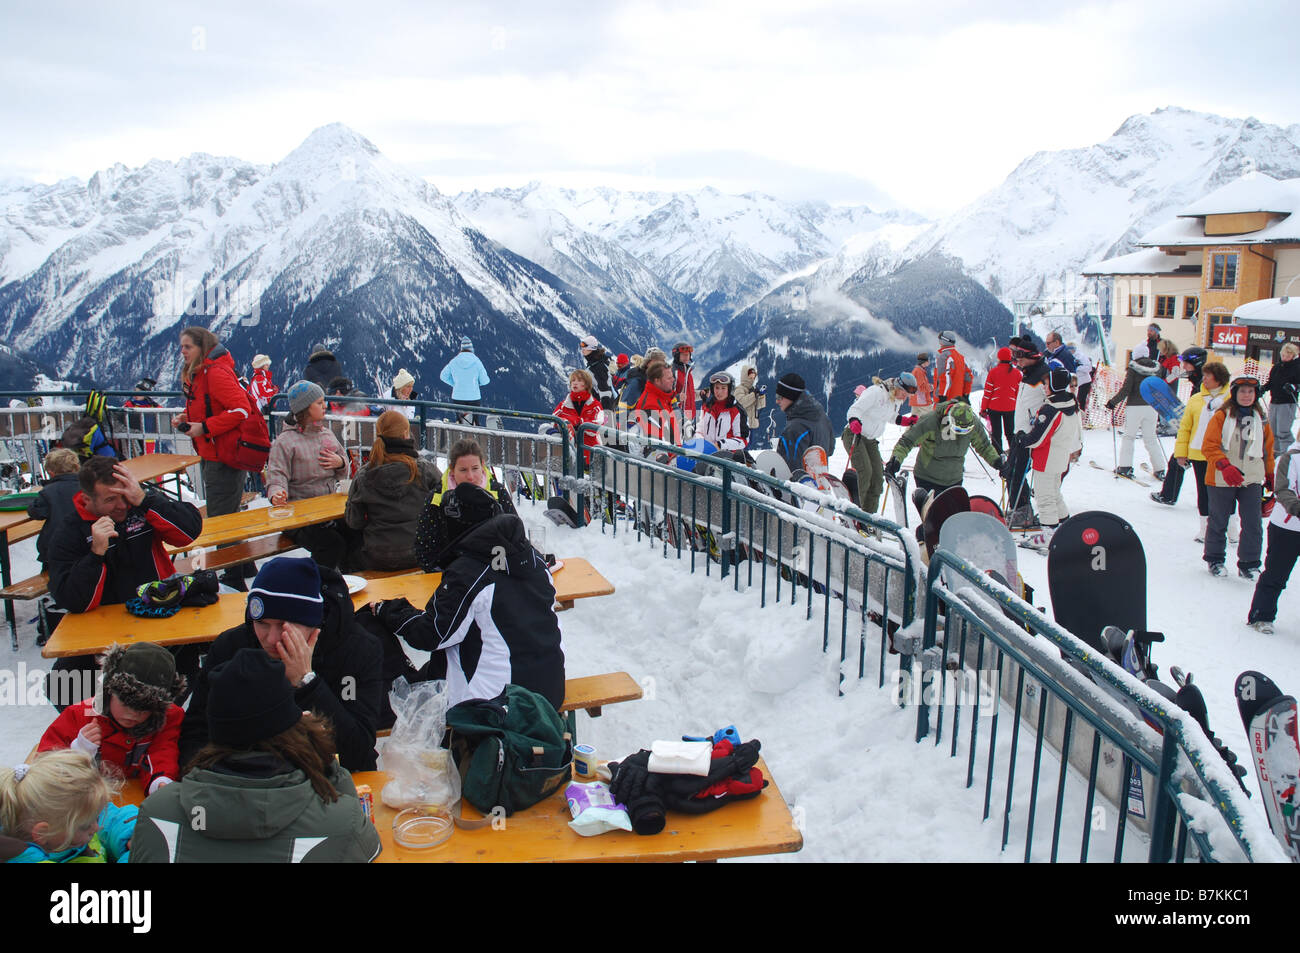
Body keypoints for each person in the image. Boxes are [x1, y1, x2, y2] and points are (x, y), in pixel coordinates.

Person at [134, 648, 381, 863]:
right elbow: (365, 842)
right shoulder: (339, 824)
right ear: (294, 729)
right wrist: (323, 758)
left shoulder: (156, 813)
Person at [368, 482, 565, 711]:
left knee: (399, 681)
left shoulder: (469, 571)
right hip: (549, 691)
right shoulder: (534, 559)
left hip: (496, 705)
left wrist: (390, 611)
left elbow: (432, 634)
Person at [179, 557, 383, 772]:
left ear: (313, 621)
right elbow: (197, 731)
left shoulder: (357, 649)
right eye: (262, 623)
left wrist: (307, 682)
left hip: (328, 780)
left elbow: (358, 750)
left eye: (284, 625)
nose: (271, 638)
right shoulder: (231, 647)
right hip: (246, 778)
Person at [46, 456, 202, 614]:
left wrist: (144, 499)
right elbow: (73, 601)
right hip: (107, 622)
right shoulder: (69, 530)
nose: (121, 505)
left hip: (160, 606)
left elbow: (189, 533)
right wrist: (95, 554)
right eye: (110, 499)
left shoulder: (139, 504)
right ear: (87, 499)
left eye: (124, 494)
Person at [38, 643, 186, 796]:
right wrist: (78, 752)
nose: (133, 714)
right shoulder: (80, 715)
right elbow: (44, 766)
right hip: (84, 801)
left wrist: (160, 780)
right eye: (125, 702)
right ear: (109, 690)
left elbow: (164, 752)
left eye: (144, 708)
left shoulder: (167, 718)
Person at [173, 327, 257, 581]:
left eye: (188, 347)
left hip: (223, 456)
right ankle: (243, 567)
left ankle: (233, 576)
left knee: (221, 519)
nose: (183, 352)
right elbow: (214, 408)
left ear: (202, 347)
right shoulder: (203, 374)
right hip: (214, 452)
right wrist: (189, 419)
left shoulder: (215, 374)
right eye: (182, 347)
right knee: (228, 513)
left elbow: (241, 410)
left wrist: (204, 427)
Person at [266, 381, 354, 571]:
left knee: (355, 532)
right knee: (331, 544)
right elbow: (277, 474)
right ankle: (319, 584)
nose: (325, 406)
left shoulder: (326, 434)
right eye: (319, 403)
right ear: (305, 409)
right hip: (300, 516)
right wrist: (277, 493)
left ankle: (349, 580)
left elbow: (344, 468)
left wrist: (339, 462)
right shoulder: (285, 442)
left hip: (328, 510)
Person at [344, 410, 441, 572]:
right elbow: (443, 505)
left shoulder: (364, 475)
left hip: (377, 557)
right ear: (405, 434)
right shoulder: (425, 470)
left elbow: (354, 521)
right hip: (421, 552)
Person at [0, 750, 136, 864]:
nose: (96, 827)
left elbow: (112, 819)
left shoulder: (70, 818)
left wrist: (132, 832)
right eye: (86, 825)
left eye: (96, 817)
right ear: (42, 832)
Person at [1201, 375, 1274, 579]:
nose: (1247, 395)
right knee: (1218, 520)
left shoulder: (1262, 419)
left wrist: (1270, 474)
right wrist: (1224, 465)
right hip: (1221, 477)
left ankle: (1249, 563)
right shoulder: (1222, 416)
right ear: (1234, 393)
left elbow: (1267, 448)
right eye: (1242, 391)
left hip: (1251, 477)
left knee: (1253, 522)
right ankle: (1215, 559)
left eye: (1251, 392)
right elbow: (1209, 446)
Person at [885, 397, 1003, 516]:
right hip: (928, 478)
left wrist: (997, 462)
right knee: (934, 519)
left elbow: (984, 446)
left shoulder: (972, 422)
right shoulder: (931, 421)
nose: (960, 434)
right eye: (957, 429)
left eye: (965, 431)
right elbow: (908, 441)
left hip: (954, 480)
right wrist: (896, 460)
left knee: (951, 519)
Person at [413, 438, 517, 572]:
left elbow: (515, 536)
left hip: (492, 570)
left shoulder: (498, 493)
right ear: (452, 470)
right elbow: (424, 548)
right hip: (450, 573)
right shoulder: (437, 497)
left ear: (483, 465)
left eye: (475, 468)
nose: (470, 476)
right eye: (463, 470)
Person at [1015, 369, 1083, 551]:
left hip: (1046, 458)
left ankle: (1049, 534)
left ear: (1053, 385)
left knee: (1044, 496)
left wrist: (1023, 439)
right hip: (1060, 456)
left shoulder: (1051, 409)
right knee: (1054, 493)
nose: (1044, 387)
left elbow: (1038, 437)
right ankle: (1064, 525)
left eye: (1046, 384)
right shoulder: (1071, 404)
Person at [840, 374, 914, 512]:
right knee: (865, 472)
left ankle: (869, 516)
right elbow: (855, 409)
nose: (905, 397)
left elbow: (890, 416)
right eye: (904, 393)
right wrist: (854, 420)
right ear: (897, 387)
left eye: (907, 396)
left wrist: (904, 421)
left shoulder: (895, 400)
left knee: (877, 478)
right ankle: (854, 511)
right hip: (855, 433)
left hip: (871, 438)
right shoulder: (876, 392)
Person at [1247, 441, 1300, 633]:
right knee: (1276, 574)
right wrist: (1296, 508)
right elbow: (1284, 489)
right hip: (1287, 527)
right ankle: (1261, 615)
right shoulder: (1290, 458)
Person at [1151, 347, 1209, 507]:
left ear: (1195, 363)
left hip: (1200, 434)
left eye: (1186, 363)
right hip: (1195, 432)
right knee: (1181, 463)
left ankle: (1170, 496)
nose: (1183, 367)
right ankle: (1170, 495)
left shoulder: (1204, 382)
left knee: (1183, 463)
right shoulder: (1198, 380)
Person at [1007, 339, 1050, 529]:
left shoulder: (1043, 375)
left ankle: (1023, 513)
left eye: (1019, 356)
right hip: (1021, 432)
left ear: (1030, 356)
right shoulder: (1028, 374)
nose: (1016, 361)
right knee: (1012, 472)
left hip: (1030, 436)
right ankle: (1021, 510)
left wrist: (1036, 430)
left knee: (1016, 473)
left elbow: (1051, 405)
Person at [1105, 356, 1164, 479]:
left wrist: (1113, 402)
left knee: (1129, 437)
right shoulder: (1156, 369)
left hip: (1135, 407)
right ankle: (1160, 468)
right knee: (1151, 438)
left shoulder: (1133, 368)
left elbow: (1126, 389)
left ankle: (1125, 467)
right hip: (1152, 407)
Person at [27, 447, 80, 573]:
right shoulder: (86, 485)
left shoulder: (49, 492)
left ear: (50, 472)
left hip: (56, 547)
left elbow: (37, 512)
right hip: (85, 543)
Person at [775, 372, 836, 480]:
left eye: (780, 397)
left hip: (798, 490)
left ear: (791, 396)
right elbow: (830, 449)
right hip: (820, 485)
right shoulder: (823, 417)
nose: (777, 401)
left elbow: (789, 468)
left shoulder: (795, 428)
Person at [553, 368, 605, 465]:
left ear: (586, 384)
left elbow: (597, 427)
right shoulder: (563, 405)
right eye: (573, 380)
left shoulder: (595, 406)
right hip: (567, 456)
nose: (575, 383)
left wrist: (579, 422)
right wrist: (565, 424)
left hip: (590, 455)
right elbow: (553, 420)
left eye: (579, 380)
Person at [631, 358, 681, 449]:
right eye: (669, 378)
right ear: (657, 380)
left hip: (674, 453)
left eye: (672, 376)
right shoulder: (650, 406)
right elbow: (656, 449)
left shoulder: (663, 398)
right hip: (667, 459)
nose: (673, 380)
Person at [440, 336, 491, 425]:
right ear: (471, 349)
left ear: (461, 349)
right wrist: (476, 383)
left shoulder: (454, 361)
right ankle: (475, 434)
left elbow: (443, 376)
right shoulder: (477, 361)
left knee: (461, 422)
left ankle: (461, 434)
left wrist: (455, 384)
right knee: (475, 422)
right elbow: (485, 381)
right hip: (474, 397)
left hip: (458, 396)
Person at [979, 347, 1020, 455]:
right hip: (1010, 407)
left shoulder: (993, 372)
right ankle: (1014, 454)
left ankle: (997, 455)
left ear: (999, 358)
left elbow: (987, 393)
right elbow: (1018, 393)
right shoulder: (1016, 373)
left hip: (994, 407)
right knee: (1010, 432)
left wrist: (983, 408)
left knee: (996, 433)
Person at [696, 371, 746, 456]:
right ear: (712, 389)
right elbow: (699, 431)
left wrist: (721, 445)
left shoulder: (736, 411)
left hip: (727, 458)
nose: (719, 392)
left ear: (729, 389)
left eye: (723, 388)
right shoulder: (706, 407)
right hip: (706, 455)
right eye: (717, 388)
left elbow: (742, 440)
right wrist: (701, 443)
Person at [1265, 342, 1299, 458]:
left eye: (1288, 356)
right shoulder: (1277, 367)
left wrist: (1294, 386)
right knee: (1273, 431)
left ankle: (1288, 455)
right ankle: (1275, 454)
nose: (1285, 358)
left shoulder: (1297, 367)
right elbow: (1271, 382)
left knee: (1283, 431)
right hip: (1274, 401)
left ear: (1293, 355)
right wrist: (1262, 388)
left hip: (1287, 402)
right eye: (1283, 355)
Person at [579, 337, 618, 412]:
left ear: (592, 348)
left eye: (585, 347)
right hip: (596, 405)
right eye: (582, 347)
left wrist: (606, 413)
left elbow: (605, 390)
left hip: (602, 408)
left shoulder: (598, 366)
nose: (582, 349)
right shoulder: (593, 363)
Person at [934, 331, 972, 403]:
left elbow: (944, 378)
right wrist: (965, 394)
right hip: (958, 399)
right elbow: (968, 377)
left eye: (939, 339)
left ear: (943, 341)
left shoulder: (944, 356)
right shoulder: (960, 357)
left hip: (946, 401)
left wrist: (942, 397)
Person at [670, 342, 699, 436]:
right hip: (679, 417)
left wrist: (700, 394)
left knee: (690, 444)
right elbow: (666, 396)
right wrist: (677, 397)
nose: (687, 356)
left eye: (688, 354)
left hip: (691, 415)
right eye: (683, 354)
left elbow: (688, 394)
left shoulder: (688, 372)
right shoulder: (673, 372)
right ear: (677, 355)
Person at [734, 363, 767, 434]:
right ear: (745, 377)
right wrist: (754, 395)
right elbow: (742, 403)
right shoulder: (739, 389)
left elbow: (760, 406)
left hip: (752, 426)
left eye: (753, 378)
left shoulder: (753, 389)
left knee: (750, 444)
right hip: (742, 426)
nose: (752, 380)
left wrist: (761, 396)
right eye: (750, 377)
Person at [1072, 345, 1095, 419]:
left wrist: (1078, 368)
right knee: (1077, 400)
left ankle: (1082, 418)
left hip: (1084, 381)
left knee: (1081, 400)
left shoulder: (1080, 356)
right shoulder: (1071, 356)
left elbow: (1088, 368)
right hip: (1078, 381)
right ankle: (1079, 417)